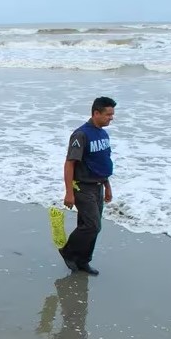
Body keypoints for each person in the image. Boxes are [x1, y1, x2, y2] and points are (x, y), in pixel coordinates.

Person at [58, 96, 116, 276]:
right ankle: (68, 251)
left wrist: (107, 186)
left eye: (112, 114)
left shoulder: (103, 134)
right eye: (108, 114)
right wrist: (69, 193)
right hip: (82, 186)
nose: (111, 118)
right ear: (96, 113)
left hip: (98, 185)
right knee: (93, 226)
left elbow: (102, 162)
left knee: (89, 226)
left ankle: (83, 261)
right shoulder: (81, 135)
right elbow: (69, 164)